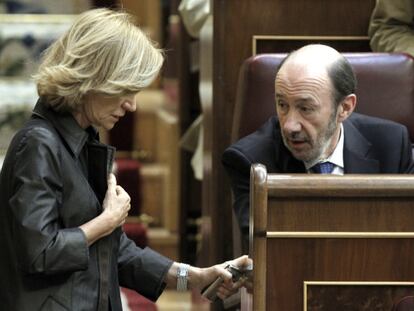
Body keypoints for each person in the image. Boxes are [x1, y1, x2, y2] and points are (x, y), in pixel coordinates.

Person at [0, 8, 251, 311]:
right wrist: (106, 221)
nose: (132, 104)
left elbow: (117, 252)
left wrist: (194, 277)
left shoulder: (78, 142)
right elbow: (40, 252)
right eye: (125, 90)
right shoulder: (38, 145)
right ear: (95, 77)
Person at [222, 44, 414, 249]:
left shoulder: (391, 144)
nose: (289, 125)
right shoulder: (251, 161)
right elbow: (270, 254)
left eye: (305, 108)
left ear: (345, 108)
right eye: (282, 105)